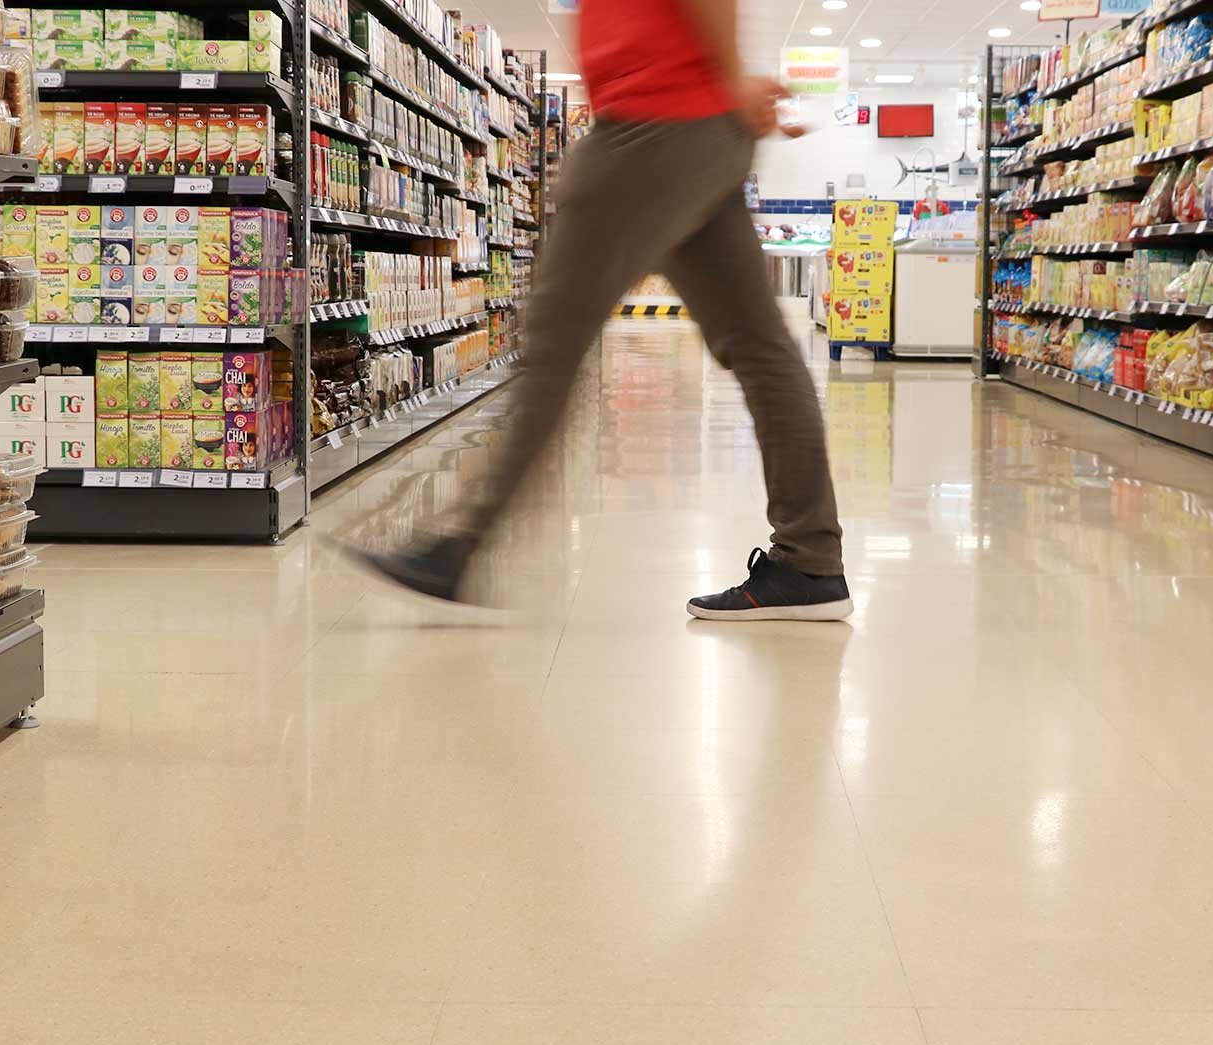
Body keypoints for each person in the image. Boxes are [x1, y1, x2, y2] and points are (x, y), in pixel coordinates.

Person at [350, 0, 851, 622]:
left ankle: (458, 547)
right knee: (758, 345)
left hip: (653, 128)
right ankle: (809, 563)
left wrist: (728, 82)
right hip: (684, 126)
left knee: (554, 341)